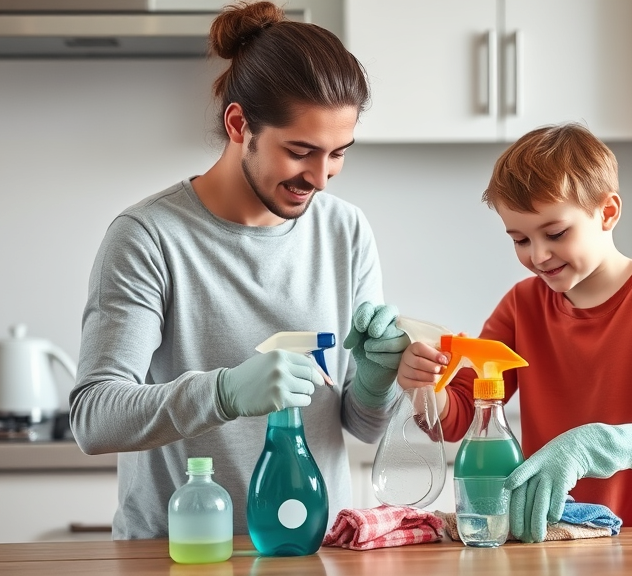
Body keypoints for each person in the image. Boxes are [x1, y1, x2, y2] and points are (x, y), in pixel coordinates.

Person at [70, 1, 405, 540]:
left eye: (339, 153)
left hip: (313, 550)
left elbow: (364, 426)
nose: (321, 178)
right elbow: (94, 417)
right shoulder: (149, 236)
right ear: (238, 124)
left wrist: (375, 380)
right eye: (301, 151)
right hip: (179, 552)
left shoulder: (345, 231)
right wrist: (224, 393)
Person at [397, 123, 632, 542]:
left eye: (555, 234)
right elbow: (461, 416)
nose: (538, 255)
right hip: (555, 534)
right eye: (519, 239)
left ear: (607, 212)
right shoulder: (521, 305)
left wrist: (602, 445)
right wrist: (425, 384)